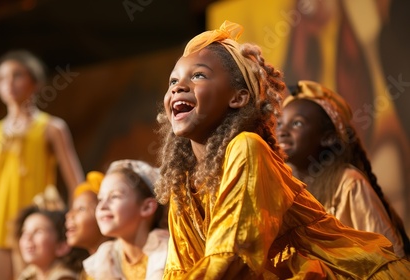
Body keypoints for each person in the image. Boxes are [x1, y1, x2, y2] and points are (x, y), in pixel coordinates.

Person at [154, 20, 410, 279]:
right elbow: (178, 269)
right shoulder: (183, 183)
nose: (178, 87)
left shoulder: (247, 147)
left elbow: (234, 254)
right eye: (173, 80)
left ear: (238, 97)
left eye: (198, 75)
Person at [0, 50, 85, 280]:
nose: (9, 83)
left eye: (17, 75)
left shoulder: (51, 128)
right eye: (2, 78)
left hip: (33, 231)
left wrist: (67, 227)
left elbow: (76, 183)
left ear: (35, 82)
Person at [277, 80, 410, 258]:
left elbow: (388, 255)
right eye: (279, 124)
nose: (282, 131)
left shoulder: (349, 183)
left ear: (328, 137)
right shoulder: (283, 185)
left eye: (297, 124)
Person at [83, 159, 169, 280]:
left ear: (147, 207)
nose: (102, 206)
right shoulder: (104, 261)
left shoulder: (169, 256)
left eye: (114, 196)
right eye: (100, 199)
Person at [15, 205, 86, 280]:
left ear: (61, 246)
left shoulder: (65, 277)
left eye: (38, 231)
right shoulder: (28, 275)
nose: (27, 237)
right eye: (24, 231)